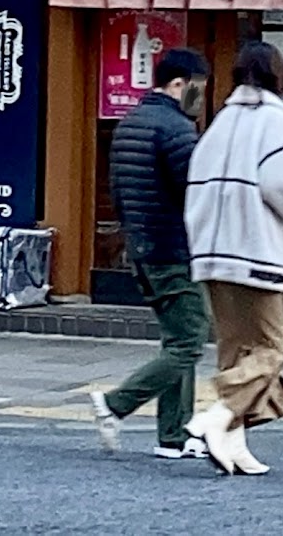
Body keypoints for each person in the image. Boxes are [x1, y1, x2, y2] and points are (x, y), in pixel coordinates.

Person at [183, 40, 283, 476]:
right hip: (254, 249)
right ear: (280, 75)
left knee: (235, 349)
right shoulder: (277, 119)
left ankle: (232, 444)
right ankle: (218, 415)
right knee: (270, 350)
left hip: (211, 251)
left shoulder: (220, 120)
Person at [89, 47, 212, 461]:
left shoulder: (131, 122)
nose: (201, 99)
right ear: (180, 84)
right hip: (172, 246)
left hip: (141, 244)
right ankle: (117, 404)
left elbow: (119, 189)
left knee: (176, 337)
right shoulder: (177, 129)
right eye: (199, 89)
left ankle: (174, 436)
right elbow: (196, 192)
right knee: (191, 340)